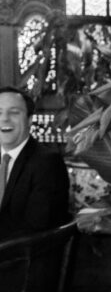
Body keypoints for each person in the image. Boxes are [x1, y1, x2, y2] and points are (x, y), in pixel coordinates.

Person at [0, 87, 70, 241]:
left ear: (29, 120)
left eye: (14, 112)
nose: (4, 119)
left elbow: (37, 226)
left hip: (20, 252)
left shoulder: (48, 163)